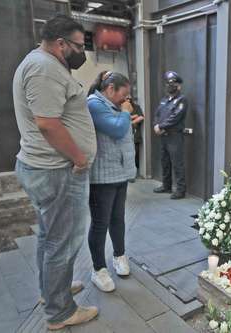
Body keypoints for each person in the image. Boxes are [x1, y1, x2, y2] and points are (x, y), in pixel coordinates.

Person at [12, 15, 98, 330]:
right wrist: (78, 158)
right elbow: (47, 123)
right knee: (63, 241)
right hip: (57, 170)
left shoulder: (44, 64)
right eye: (78, 45)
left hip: (49, 168)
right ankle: (60, 311)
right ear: (61, 43)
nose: (81, 52)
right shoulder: (44, 68)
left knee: (51, 237)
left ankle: (51, 291)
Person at [86, 71, 136, 292]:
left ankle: (119, 255)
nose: (125, 100)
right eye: (122, 95)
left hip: (120, 173)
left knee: (118, 218)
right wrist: (126, 114)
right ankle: (99, 269)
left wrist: (123, 113)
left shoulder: (112, 104)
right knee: (100, 223)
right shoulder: (94, 104)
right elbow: (116, 130)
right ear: (110, 89)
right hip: (102, 177)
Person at [153, 71, 188, 199]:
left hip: (174, 136)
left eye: (173, 83)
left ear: (179, 86)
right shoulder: (164, 100)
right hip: (163, 136)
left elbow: (176, 117)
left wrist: (161, 126)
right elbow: (157, 114)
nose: (170, 86)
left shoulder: (181, 100)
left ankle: (180, 190)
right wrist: (156, 125)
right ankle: (166, 185)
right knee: (165, 161)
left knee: (177, 163)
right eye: (168, 83)